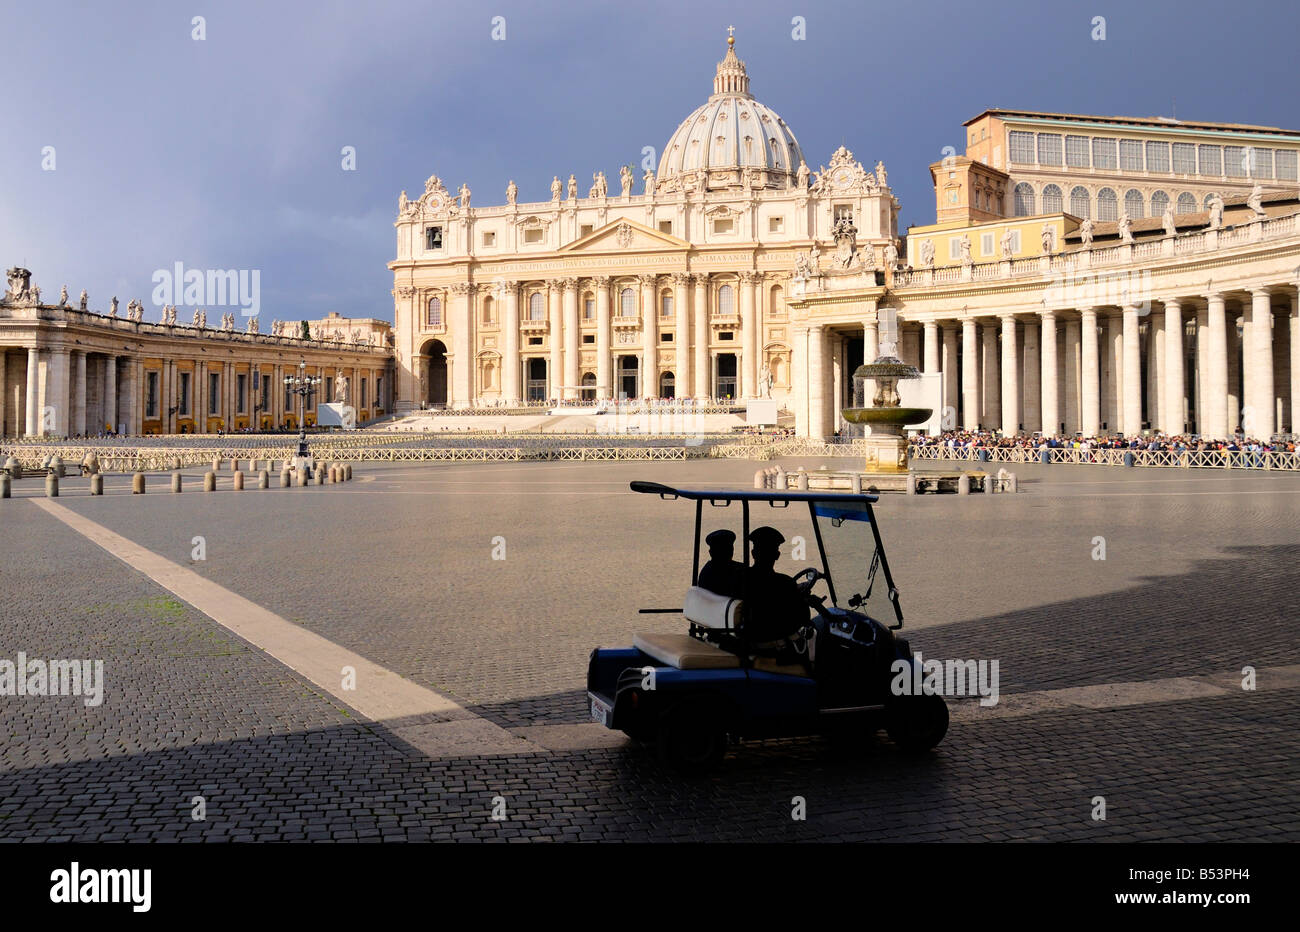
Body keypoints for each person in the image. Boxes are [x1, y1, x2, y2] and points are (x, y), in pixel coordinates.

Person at [740, 526, 809, 651]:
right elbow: (803, 618)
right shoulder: (785, 582)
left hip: (751, 637)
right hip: (774, 644)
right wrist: (801, 595)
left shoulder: (742, 577)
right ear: (777, 555)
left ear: (753, 553)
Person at [697, 529, 744, 599]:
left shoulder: (738, 568)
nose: (730, 551)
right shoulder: (709, 573)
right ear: (711, 552)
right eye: (726, 549)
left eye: (730, 548)